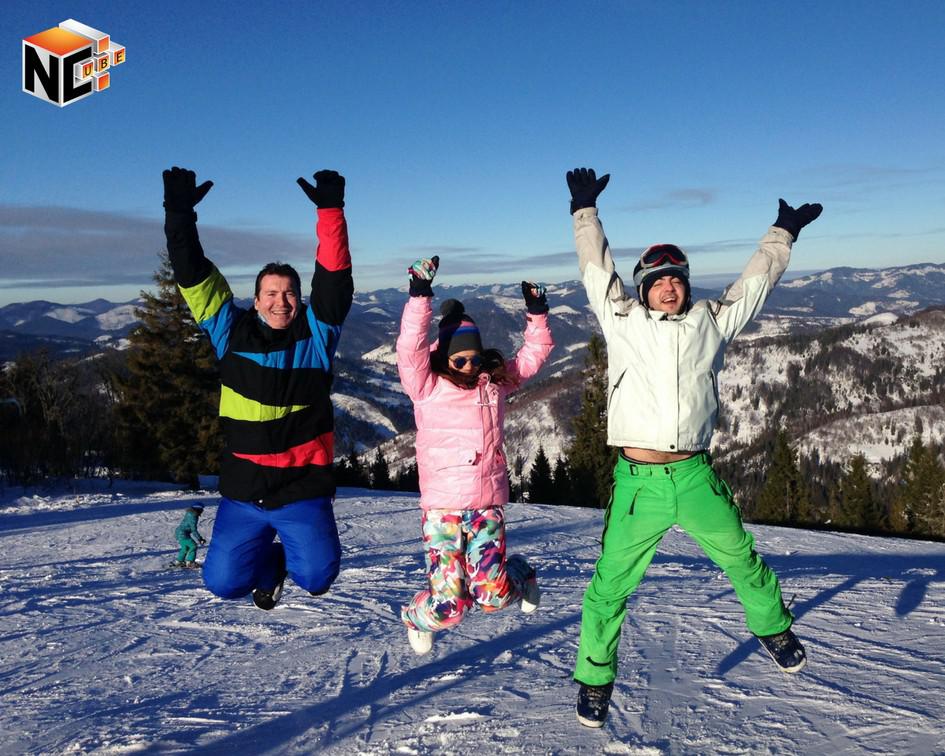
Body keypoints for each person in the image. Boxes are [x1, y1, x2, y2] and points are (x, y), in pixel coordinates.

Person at [565, 167, 823, 727]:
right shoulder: (623, 320)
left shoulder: (711, 322)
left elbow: (754, 286)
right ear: (643, 288)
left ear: (686, 284)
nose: (669, 286)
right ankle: (595, 678)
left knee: (742, 559)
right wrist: (584, 211)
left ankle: (773, 628)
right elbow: (596, 269)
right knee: (609, 586)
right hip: (640, 484)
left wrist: (782, 233)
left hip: (695, 476)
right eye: (658, 280)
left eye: (676, 279)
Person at [162, 166, 352, 610]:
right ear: (255, 299)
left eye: (289, 293)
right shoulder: (229, 332)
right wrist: (179, 213)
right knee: (224, 585)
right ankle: (269, 566)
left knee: (317, 577)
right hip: (244, 491)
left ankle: (288, 556)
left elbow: (334, 277)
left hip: (302, 489)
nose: (280, 301)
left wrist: (330, 211)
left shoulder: (317, 335)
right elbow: (192, 275)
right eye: (270, 293)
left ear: (300, 299)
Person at [396, 256, 554, 655]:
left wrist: (537, 313)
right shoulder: (427, 387)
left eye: (475, 358)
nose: (469, 365)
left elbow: (531, 358)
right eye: (460, 359)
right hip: (442, 511)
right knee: (448, 608)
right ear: (443, 359)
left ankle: (521, 572)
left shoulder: (492, 385)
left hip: (485, 505)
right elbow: (410, 347)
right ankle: (415, 616)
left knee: (492, 597)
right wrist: (419, 294)